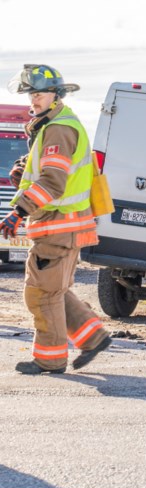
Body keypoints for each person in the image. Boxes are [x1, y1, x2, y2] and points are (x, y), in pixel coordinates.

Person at [1, 64, 111, 374]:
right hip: (61, 225)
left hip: (58, 227)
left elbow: (52, 182)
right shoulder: (54, 126)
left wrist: (17, 212)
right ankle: (93, 336)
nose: (33, 101)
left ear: (56, 95)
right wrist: (24, 171)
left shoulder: (58, 129)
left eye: (38, 95)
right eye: (31, 95)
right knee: (51, 290)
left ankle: (50, 359)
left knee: (40, 293)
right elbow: (47, 171)